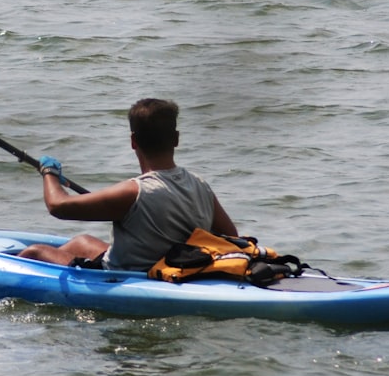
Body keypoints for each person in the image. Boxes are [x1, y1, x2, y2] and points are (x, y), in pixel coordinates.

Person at [18, 98, 238, 271]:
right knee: (82, 242)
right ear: (176, 139)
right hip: (179, 269)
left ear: (133, 142)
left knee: (35, 252)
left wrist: (49, 173)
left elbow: (58, 206)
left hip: (129, 275)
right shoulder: (200, 185)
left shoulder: (133, 192)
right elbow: (233, 239)